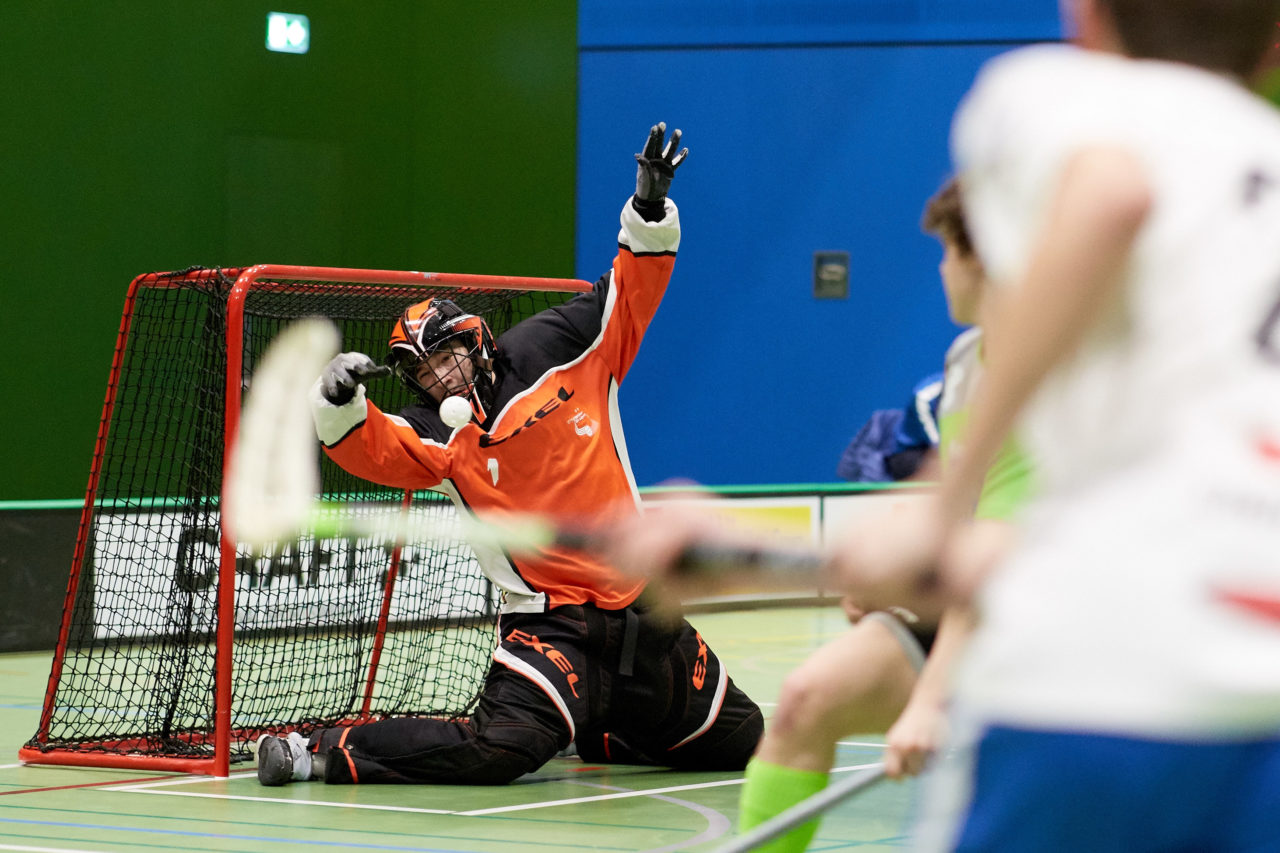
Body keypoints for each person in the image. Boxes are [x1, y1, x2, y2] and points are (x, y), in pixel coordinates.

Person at [830, 1, 1280, 849]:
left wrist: (942, 508)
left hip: (1094, 682)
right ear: (1272, 46)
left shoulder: (1050, 93)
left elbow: (1111, 193)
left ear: (1085, 18)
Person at [254, 123, 764, 787]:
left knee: (745, 741)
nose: (441, 379)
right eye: (425, 373)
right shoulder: (438, 434)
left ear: (476, 341)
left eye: (446, 358)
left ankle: (594, 726)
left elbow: (629, 291)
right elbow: (372, 448)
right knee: (499, 748)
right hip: (554, 629)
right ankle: (315, 749)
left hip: (643, 612)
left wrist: (646, 208)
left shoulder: (561, 345)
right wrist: (338, 400)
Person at [730, 177, 1033, 853]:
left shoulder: (1044, 372)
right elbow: (952, 505)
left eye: (946, 251)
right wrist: (888, 574)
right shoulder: (966, 363)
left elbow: (997, 552)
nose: (940, 268)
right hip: (979, 598)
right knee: (808, 699)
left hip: (1046, 614)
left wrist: (928, 702)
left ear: (981, 258)